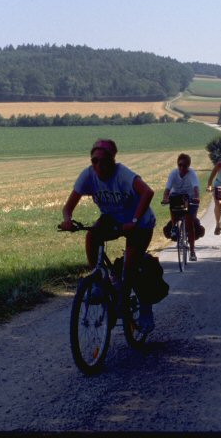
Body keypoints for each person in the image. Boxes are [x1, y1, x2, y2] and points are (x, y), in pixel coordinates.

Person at [60, 138, 157, 333]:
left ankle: (145, 308)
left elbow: (148, 192)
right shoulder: (88, 176)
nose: (98, 165)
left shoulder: (122, 175)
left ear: (112, 160)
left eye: (103, 161)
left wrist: (135, 222)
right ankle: (99, 281)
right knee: (92, 236)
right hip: (113, 217)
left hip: (140, 222)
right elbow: (68, 207)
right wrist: (68, 220)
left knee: (130, 266)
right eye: (94, 160)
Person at [161, 153, 201, 261]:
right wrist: (165, 198)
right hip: (177, 197)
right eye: (180, 165)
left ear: (189, 166)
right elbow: (167, 189)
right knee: (172, 203)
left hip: (190, 198)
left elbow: (196, 187)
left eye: (185, 166)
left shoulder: (192, 174)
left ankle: (192, 251)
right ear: (177, 165)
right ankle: (174, 227)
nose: (182, 168)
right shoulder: (173, 173)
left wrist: (197, 197)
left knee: (189, 222)